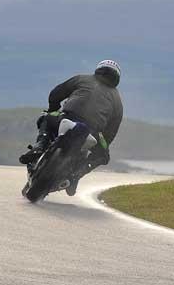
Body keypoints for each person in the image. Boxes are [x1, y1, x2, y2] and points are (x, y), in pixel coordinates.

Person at [19, 60, 124, 196]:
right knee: (103, 156)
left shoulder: (82, 79)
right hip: (92, 132)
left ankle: (39, 146)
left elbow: (56, 93)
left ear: (99, 69)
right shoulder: (117, 100)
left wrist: (53, 108)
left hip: (67, 118)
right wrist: (104, 145)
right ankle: (76, 176)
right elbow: (111, 131)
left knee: (46, 118)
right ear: (116, 78)